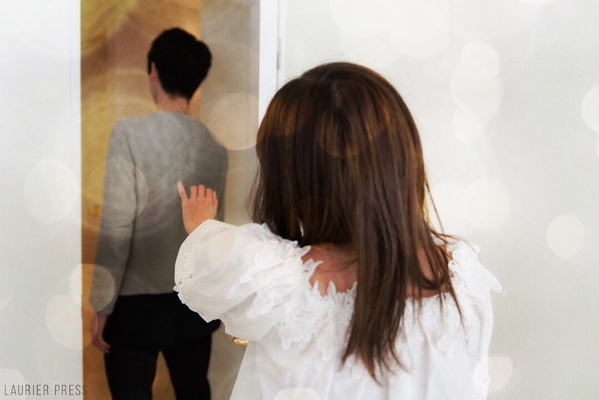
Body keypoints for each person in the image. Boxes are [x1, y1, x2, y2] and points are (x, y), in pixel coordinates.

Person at [174, 62, 501, 399]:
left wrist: (201, 226)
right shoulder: (460, 275)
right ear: (402, 156)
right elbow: (474, 385)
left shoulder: (273, 276)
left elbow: (207, 266)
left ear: (289, 174)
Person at [89, 28, 227, 399]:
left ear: (153, 71)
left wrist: (101, 305)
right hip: (194, 301)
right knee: (194, 392)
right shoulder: (215, 147)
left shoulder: (128, 133)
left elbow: (116, 228)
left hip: (135, 307)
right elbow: (212, 235)